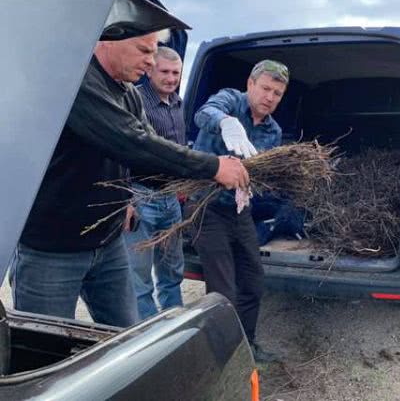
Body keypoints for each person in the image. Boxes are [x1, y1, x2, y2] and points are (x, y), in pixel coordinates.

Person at [11, 27, 249, 328]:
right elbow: (133, 143)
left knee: (126, 336)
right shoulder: (76, 82)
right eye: (143, 50)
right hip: (54, 249)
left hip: (108, 244)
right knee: (43, 345)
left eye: (153, 51)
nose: (150, 61)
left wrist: (125, 199)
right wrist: (213, 166)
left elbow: (133, 157)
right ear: (106, 42)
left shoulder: (127, 93)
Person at [192, 59, 289, 362]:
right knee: (222, 291)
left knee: (253, 280)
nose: (270, 97)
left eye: (277, 93)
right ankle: (223, 355)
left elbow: (262, 171)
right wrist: (225, 122)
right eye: (265, 88)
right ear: (250, 84)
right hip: (207, 208)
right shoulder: (230, 101)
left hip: (239, 210)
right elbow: (202, 113)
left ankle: (246, 346)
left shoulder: (273, 130)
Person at [124, 46, 188, 319]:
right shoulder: (134, 100)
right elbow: (122, 151)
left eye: (176, 73)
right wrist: (126, 200)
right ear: (150, 70)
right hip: (142, 198)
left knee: (172, 269)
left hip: (170, 200)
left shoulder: (178, 102)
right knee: (139, 276)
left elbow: (179, 149)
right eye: (165, 71)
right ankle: (149, 335)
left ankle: (175, 325)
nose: (171, 78)